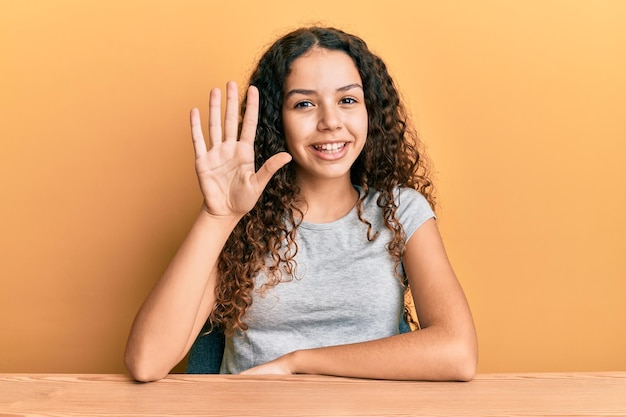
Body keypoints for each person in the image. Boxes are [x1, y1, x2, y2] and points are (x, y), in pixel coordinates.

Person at [124, 26, 478, 382]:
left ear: (370, 110)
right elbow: (146, 361)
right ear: (277, 120)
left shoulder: (400, 211)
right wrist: (219, 215)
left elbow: (457, 352)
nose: (330, 122)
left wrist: (298, 362)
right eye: (304, 104)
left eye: (347, 100)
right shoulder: (243, 218)